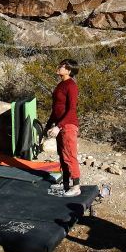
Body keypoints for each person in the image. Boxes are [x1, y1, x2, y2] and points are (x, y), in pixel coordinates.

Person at [45, 59, 81, 197]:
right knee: (62, 155)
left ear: (69, 70)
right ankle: (65, 183)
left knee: (70, 155)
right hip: (60, 125)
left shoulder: (71, 85)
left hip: (68, 125)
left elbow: (71, 109)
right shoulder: (61, 85)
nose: (59, 67)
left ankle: (76, 186)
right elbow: (56, 108)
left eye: (62, 66)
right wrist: (49, 124)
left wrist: (59, 126)